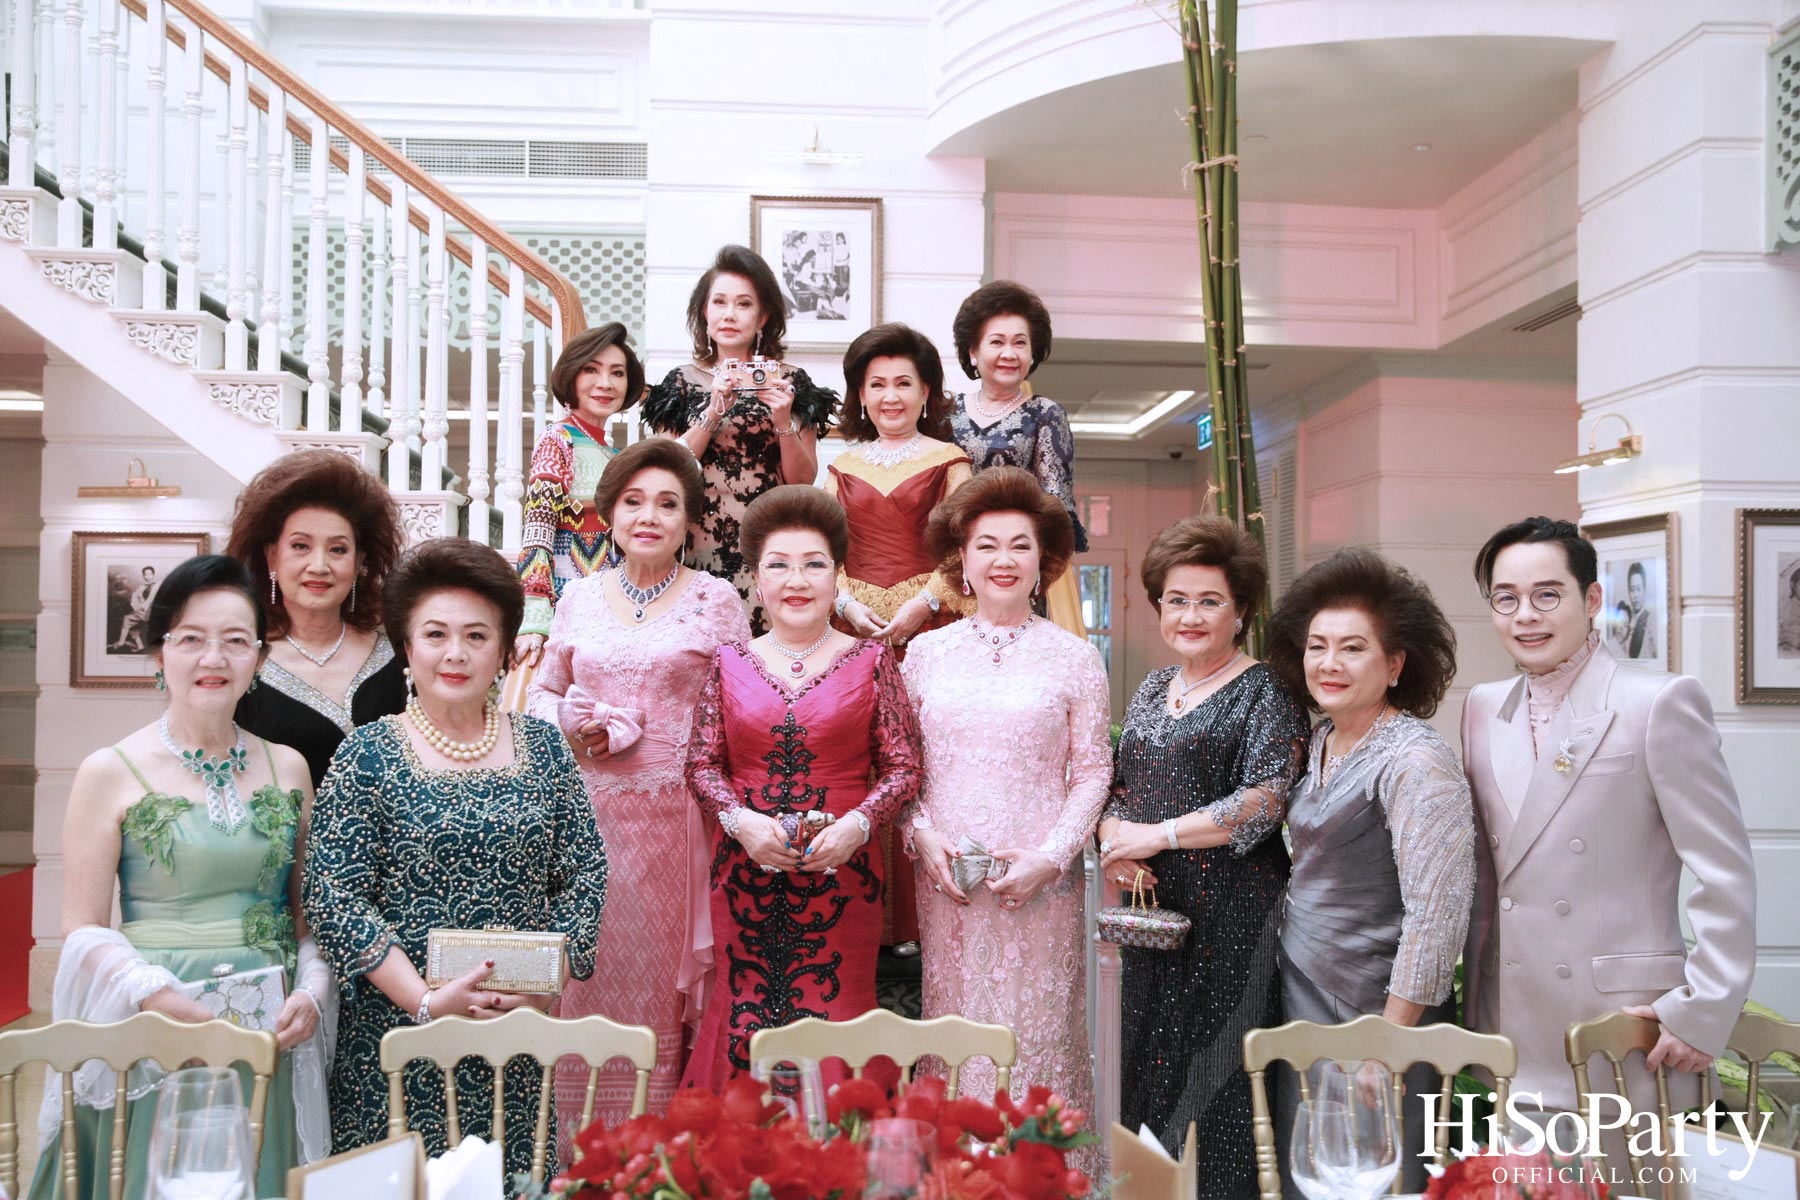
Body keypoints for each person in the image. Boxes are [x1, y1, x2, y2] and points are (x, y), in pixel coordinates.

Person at [1462, 516, 1755, 1189]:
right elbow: (1489, 876)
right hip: (1517, 1025)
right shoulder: (1481, 708)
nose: (1526, 615)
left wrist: (1703, 1010)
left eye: (1547, 595)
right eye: (1506, 598)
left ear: (1591, 601)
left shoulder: (1657, 702)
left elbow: (1725, 870)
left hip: (1630, 1033)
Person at [303, 538, 607, 1178]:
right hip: (398, 1041)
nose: (456, 653)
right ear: (406, 650)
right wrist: (421, 1001)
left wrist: (540, 993)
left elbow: (584, 871)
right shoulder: (367, 755)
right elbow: (333, 896)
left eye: (477, 635)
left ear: (503, 650)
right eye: (436, 634)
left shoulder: (545, 749)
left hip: (514, 1040)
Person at [34, 555, 331, 1200]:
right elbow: (81, 929)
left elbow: (308, 918)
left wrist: (310, 989)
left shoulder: (289, 768)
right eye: (191, 639)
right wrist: (153, 994)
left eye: (235, 641)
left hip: (265, 1028)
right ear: (159, 651)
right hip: (156, 1021)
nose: (212, 658)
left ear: (259, 656)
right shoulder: (108, 770)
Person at [525, 437, 750, 1130]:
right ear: (610, 514)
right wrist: (568, 718)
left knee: (663, 989)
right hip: (586, 825)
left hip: (678, 826)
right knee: (584, 977)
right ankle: (577, 1149)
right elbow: (538, 694)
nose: (648, 516)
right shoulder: (580, 598)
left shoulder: (715, 600)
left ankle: (654, 1153)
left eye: (667, 504)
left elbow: (744, 705)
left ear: (691, 522)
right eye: (633, 502)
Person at [682, 486, 922, 1088]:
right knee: (746, 1014)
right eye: (778, 565)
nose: (797, 580)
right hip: (744, 870)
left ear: (836, 577)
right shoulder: (728, 660)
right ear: (756, 581)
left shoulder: (872, 661)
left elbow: (904, 769)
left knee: (838, 1013)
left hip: (843, 872)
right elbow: (702, 765)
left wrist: (857, 827)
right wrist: (742, 824)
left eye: (814, 564)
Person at [1096, 516, 1308, 1195]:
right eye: (1176, 600)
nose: (1190, 615)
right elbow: (1123, 781)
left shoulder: (1266, 690)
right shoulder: (1156, 686)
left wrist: (1157, 837)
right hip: (1154, 916)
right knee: (1147, 1067)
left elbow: (1266, 799)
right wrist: (1114, 838)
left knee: (1219, 1083)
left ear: (1241, 610)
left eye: (1209, 601)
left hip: (1234, 918)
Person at [902, 467, 1110, 1136]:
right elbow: (902, 769)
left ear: (1043, 560)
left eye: (1019, 545)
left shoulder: (1076, 658)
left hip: (1040, 891)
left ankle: (1044, 1171)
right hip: (948, 886)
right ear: (960, 558)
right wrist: (921, 837)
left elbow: (1092, 773)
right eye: (986, 544)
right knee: (954, 1031)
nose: (1003, 560)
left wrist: (1052, 857)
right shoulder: (924, 656)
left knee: (1038, 1036)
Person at [1266, 547, 1475, 1196]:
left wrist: (1388, 1039)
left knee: (1377, 1174)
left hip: (1378, 1008)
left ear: (1395, 663)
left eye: (1352, 648)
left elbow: (1437, 915)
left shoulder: (1416, 761)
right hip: (1300, 991)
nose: (1329, 663)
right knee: (1311, 1168)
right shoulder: (1322, 737)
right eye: (1318, 645)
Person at [640, 244, 839, 629]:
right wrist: (714, 410)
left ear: (763, 316)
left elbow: (802, 479)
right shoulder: (681, 383)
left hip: (767, 543)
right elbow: (667, 469)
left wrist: (782, 418)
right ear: (704, 312)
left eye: (744, 304)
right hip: (696, 542)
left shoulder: (791, 382)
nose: (730, 314)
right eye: (720, 302)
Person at [228, 448, 407, 788]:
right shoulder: (242, 662)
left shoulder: (399, 659)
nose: (320, 565)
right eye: (300, 546)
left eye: (338, 549)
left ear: (359, 563)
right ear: (271, 558)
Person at [947, 280, 1087, 634]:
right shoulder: (946, 414)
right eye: (997, 342)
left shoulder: (1045, 414)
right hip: (953, 567)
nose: (1009, 353)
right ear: (973, 352)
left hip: (1016, 569)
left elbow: (1056, 508)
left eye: (1020, 343)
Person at [828, 322, 972, 655]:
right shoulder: (842, 467)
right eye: (877, 385)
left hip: (933, 627)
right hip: (852, 629)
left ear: (924, 391)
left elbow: (964, 545)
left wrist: (924, 603)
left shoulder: (951, 461)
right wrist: (846, 603)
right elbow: (824, 548)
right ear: (862, 395)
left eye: (903, 384)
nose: (890, 397)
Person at [512, 322, 645, 670]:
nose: (606, 383)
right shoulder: (558, 439)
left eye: (617, 373)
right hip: (566, 608)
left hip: (610, 608)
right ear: (571, 376)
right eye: (591, 370)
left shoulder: (616, 455)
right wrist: (536, 616)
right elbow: (538, 531)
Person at [108, 565, 157, 652]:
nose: (148, 576)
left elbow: (152, 598)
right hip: (142, 611)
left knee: (127, 619)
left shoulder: (157, 586)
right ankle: (140, 646)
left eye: (150, 574)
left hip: (152, 612)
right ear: (143, 576)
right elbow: (134, 597)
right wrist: (136, 607)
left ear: (153, 575)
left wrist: (144, 606)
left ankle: (121, 642)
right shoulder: (142, 587)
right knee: (134, 626)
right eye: (145, 574)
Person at [1624, 560, 1657, 660]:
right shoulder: (1625, 622)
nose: (1635, 596)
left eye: (1639, 589)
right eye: (1632, 590)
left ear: (1644, 590)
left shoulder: (1651, 622)